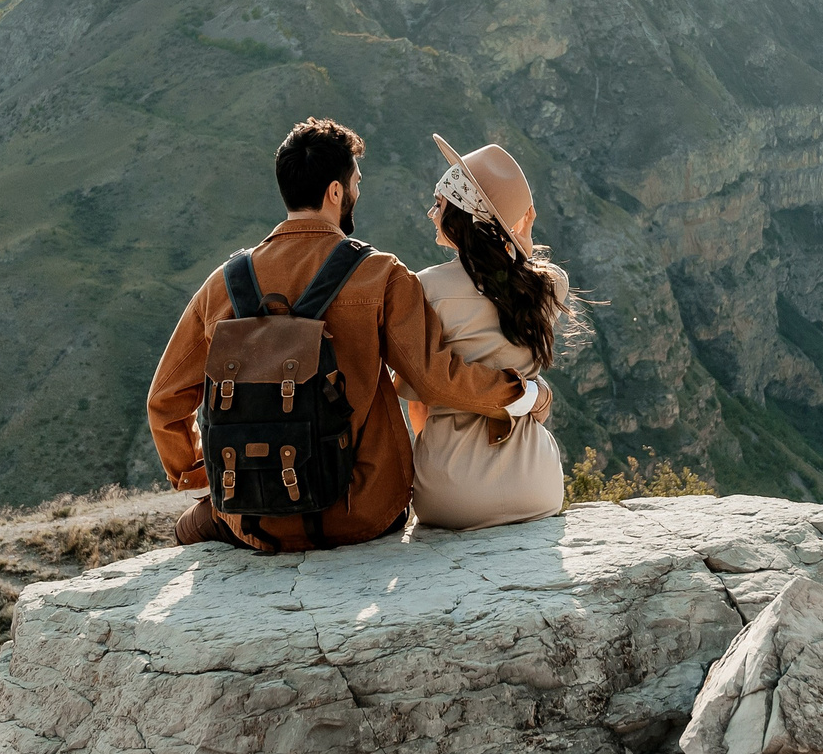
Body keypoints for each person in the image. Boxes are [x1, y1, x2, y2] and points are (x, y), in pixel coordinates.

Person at [147, 117, 547, 551]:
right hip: (363, 511)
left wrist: (201, 476)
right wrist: (521, 393)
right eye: (355, 181)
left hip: (255, 517)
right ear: (335, 192)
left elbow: (164, 400)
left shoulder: (224, 283)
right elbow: (436, 378)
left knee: (190, 527)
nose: (358, 191)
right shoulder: (381, 275)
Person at [402, 135, 581, 530]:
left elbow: (420, 401)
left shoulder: (424, 289)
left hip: (451, 493)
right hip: (537, 486)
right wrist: (521, 240)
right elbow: (517, 272)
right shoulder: (550, 287)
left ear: (460, 218)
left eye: (440, 204)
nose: (432, 213)